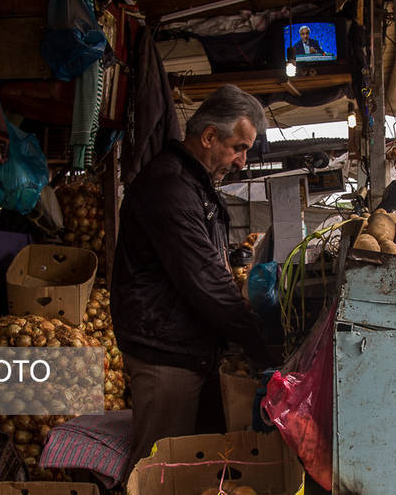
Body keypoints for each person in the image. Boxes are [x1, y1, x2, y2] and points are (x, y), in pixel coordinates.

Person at [111, 84, 275, 474]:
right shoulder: (169, 186)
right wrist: (261, 346)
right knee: (160, 473)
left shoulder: (192, 184)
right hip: (164, 355)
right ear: (208, 137)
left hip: (188, 348)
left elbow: (210, 269)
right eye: (238, 147)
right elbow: (206, 282)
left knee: (191, 471)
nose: (241, 161)